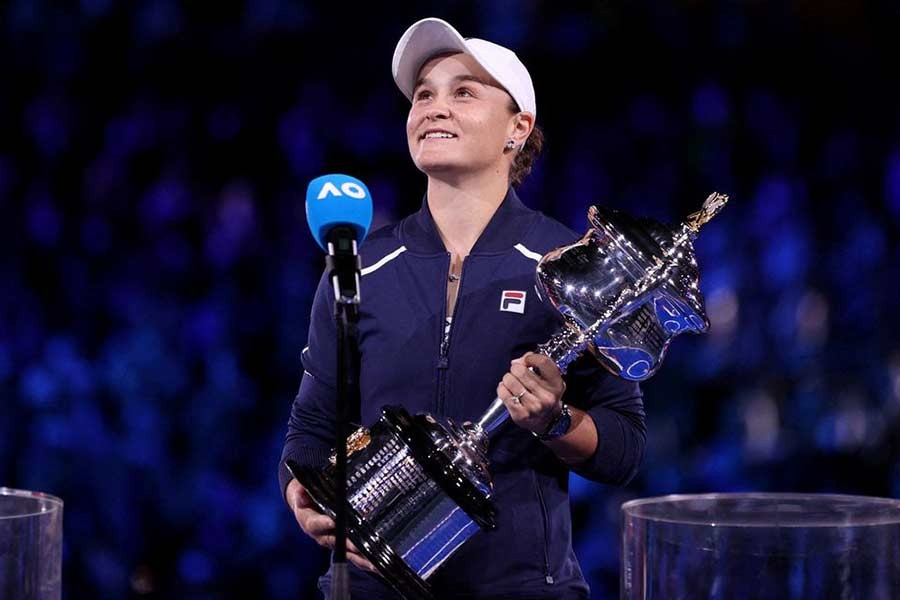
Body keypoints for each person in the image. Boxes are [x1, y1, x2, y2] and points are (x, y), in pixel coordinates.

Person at [279, 17, 646, 599]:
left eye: (464, 92)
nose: (434, 107)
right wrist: (301, 490)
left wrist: (553, 421)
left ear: (517, 128)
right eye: (423, 93)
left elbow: (624, 448)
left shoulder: (568, 263)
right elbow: (311, 428)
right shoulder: (359, 265)